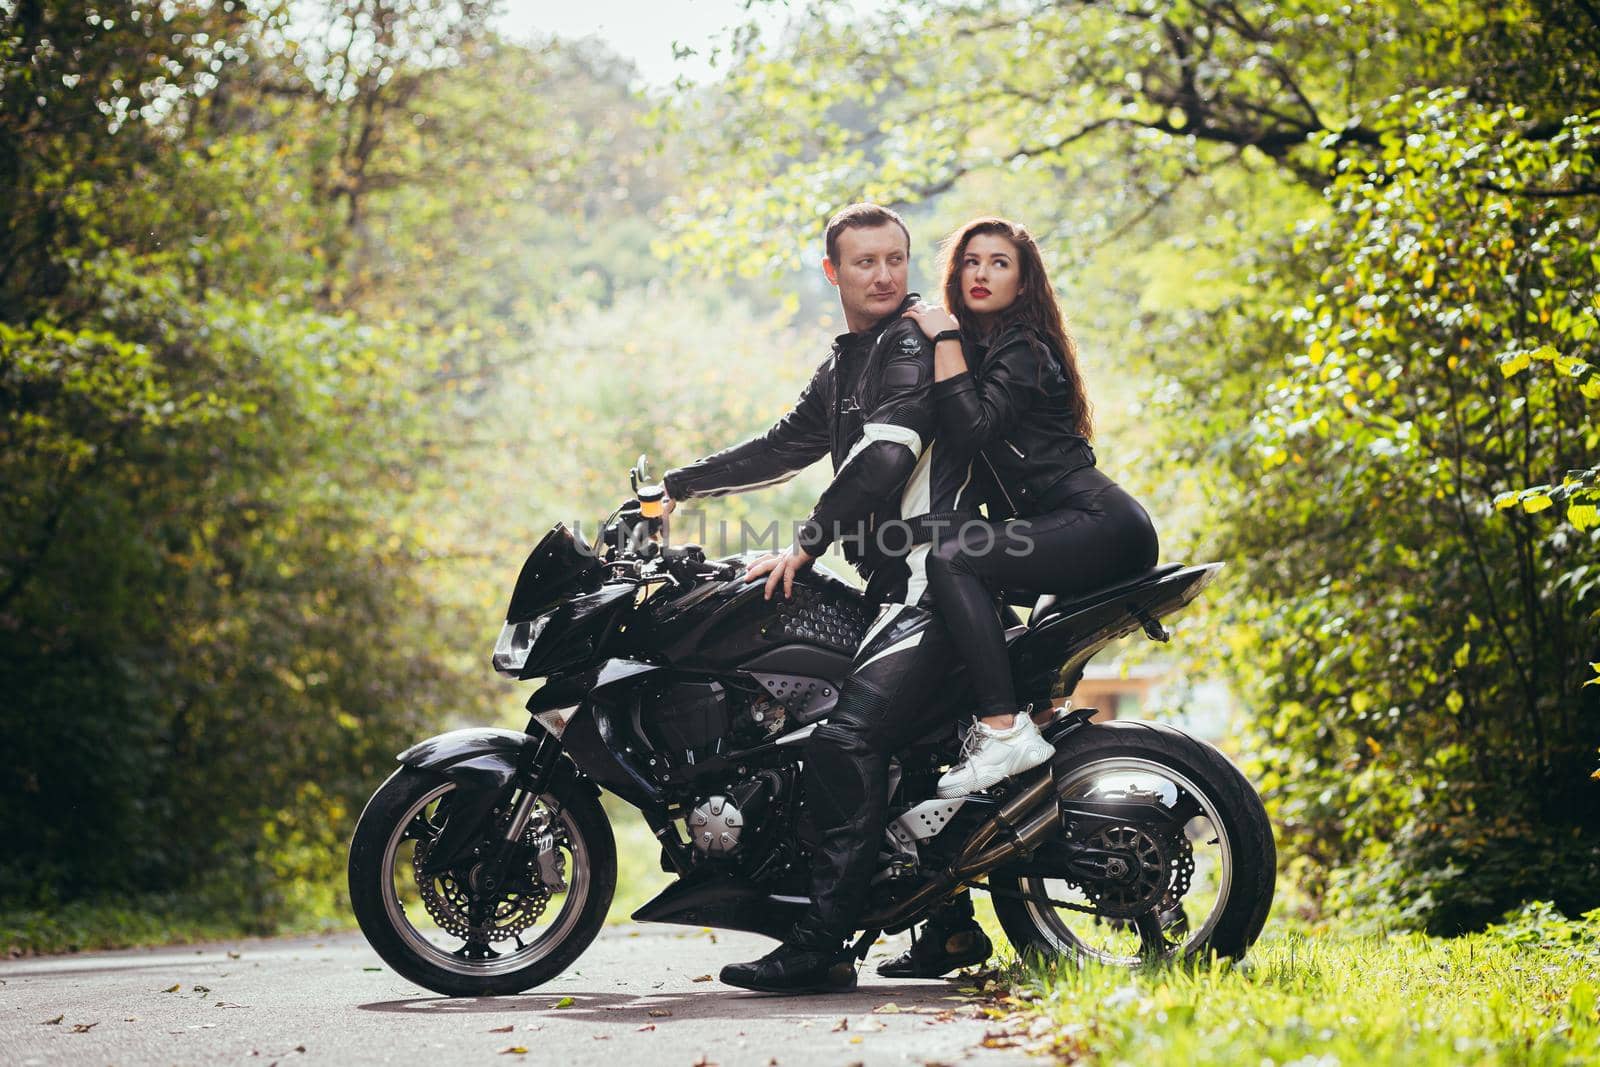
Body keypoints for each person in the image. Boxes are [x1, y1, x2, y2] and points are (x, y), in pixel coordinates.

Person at [662, 203, 976, 994]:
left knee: (845, 739)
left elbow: (883, 460)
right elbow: (782, 445)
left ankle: (821, 944)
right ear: (833, 272)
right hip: (897, 583)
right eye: (865, 262)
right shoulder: (847, 363)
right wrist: (676, 487)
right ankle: (948, 923)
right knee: (902, 740)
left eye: (896, 259)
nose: (883, 275)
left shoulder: (909, 343)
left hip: (932, 580)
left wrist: (804, 541)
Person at [876, 217, 1161, 980]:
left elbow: (970, 428)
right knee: (969, 608)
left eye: (998, 262)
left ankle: (1003, 732)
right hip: (1067, 528)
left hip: (1099, 524)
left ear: (1022, 279)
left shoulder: (1022, 347)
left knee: (953, 559)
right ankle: (958, 901)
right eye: (969, 261)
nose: (980, 273)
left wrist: (939, 339)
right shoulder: (989, 349)